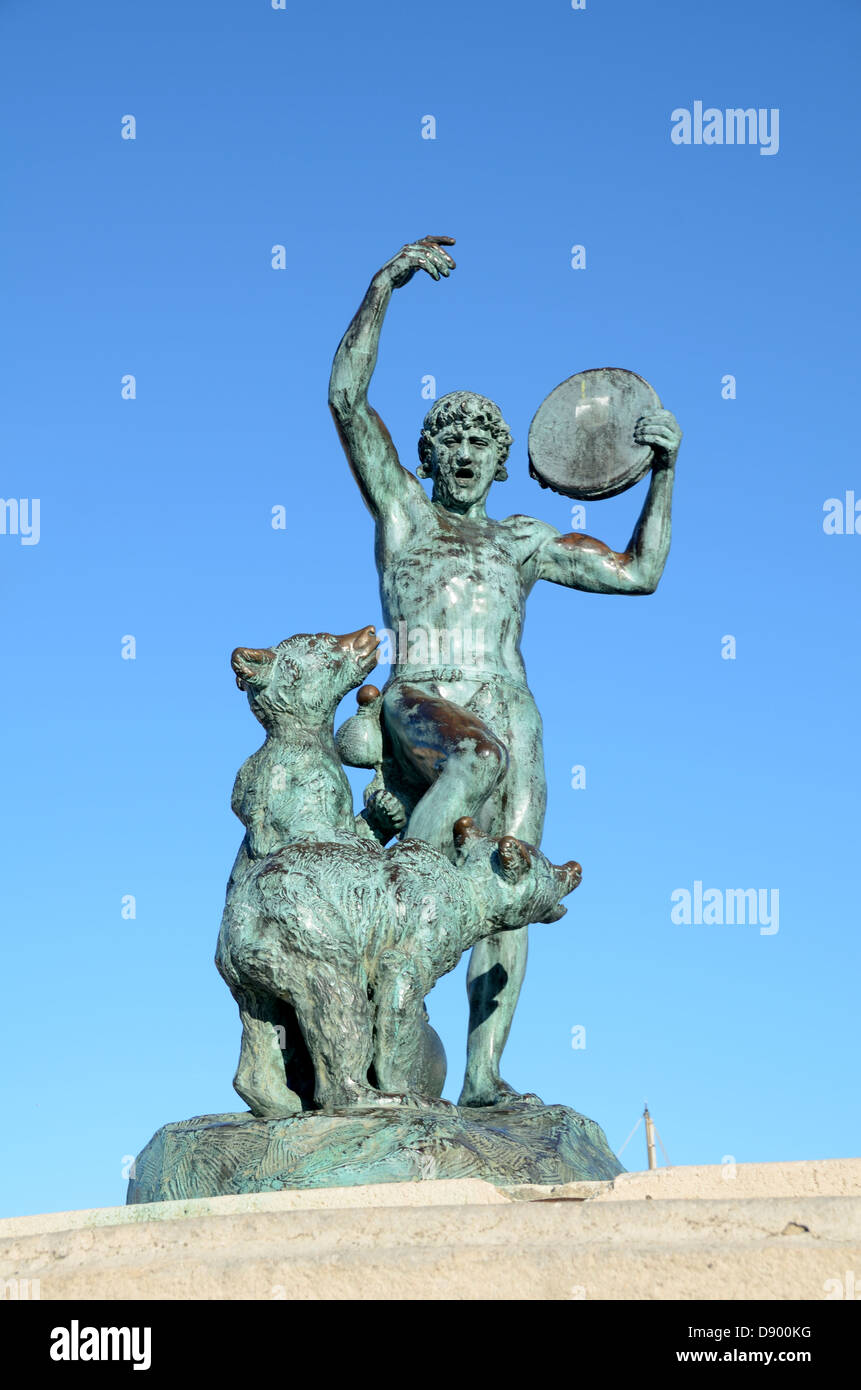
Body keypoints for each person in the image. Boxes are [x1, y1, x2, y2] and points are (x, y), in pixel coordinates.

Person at [329, 235, 682, 1107]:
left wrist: (664, 473)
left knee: (512, 875)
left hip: (508, 708)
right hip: (420, 699)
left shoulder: (522, 539)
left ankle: (482, 1077)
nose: (462, 452)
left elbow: (638, 573)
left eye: (479, 442)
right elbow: (345, 396)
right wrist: (384, 285)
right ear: (427, 455)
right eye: (447, 438)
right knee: (463, 783)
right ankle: (391, 976)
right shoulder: (404, 512)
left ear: (498, 459)